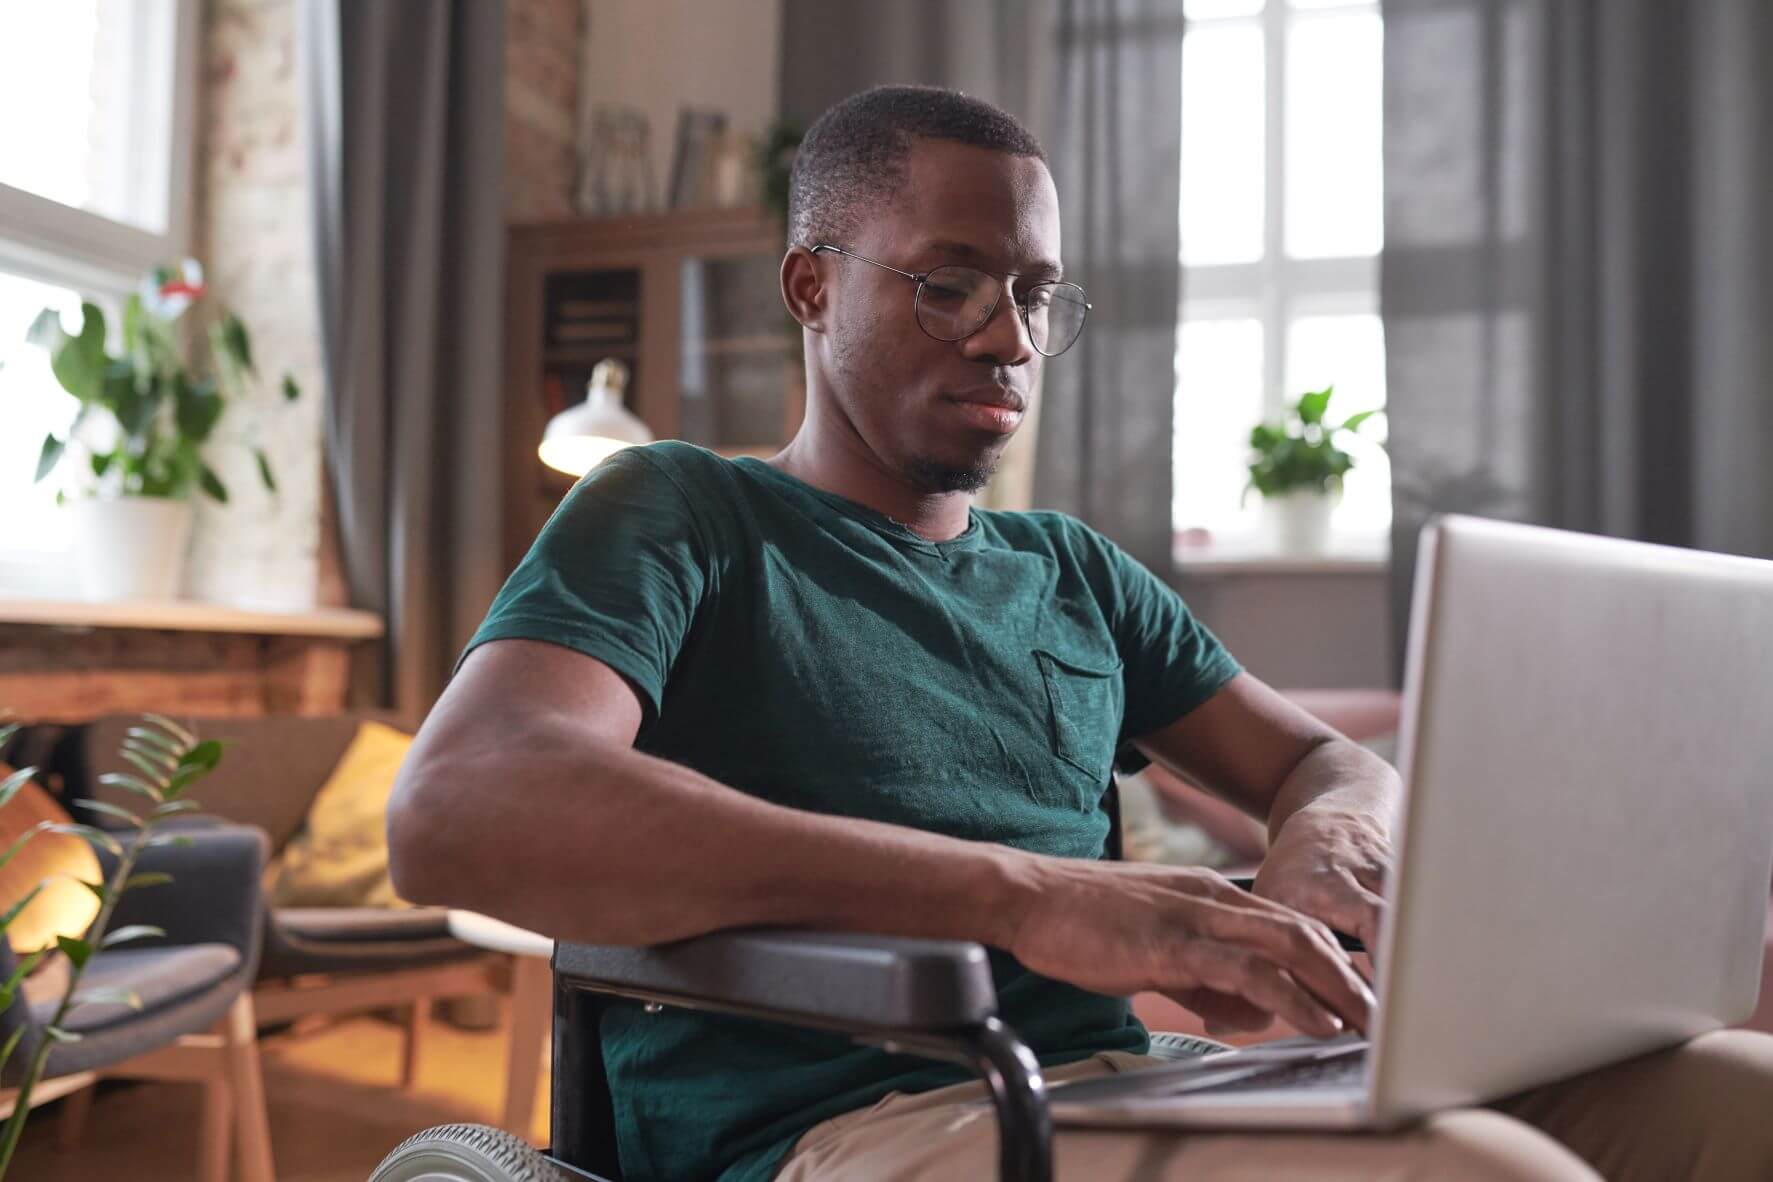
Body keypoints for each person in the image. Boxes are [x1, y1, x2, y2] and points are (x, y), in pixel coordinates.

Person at [388, 86, 1773, 1181]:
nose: (1009, 337)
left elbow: (1327, 765)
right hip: (842, 1129)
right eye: (951, 281)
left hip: (1105, 1089)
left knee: (1735, 1096)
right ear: (812, 288)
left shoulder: (1072, 573)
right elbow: (462, 806)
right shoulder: (681, 510)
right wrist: (1025, 892)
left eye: (1037, 292)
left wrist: (1322, 839)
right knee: (1474, 1170)